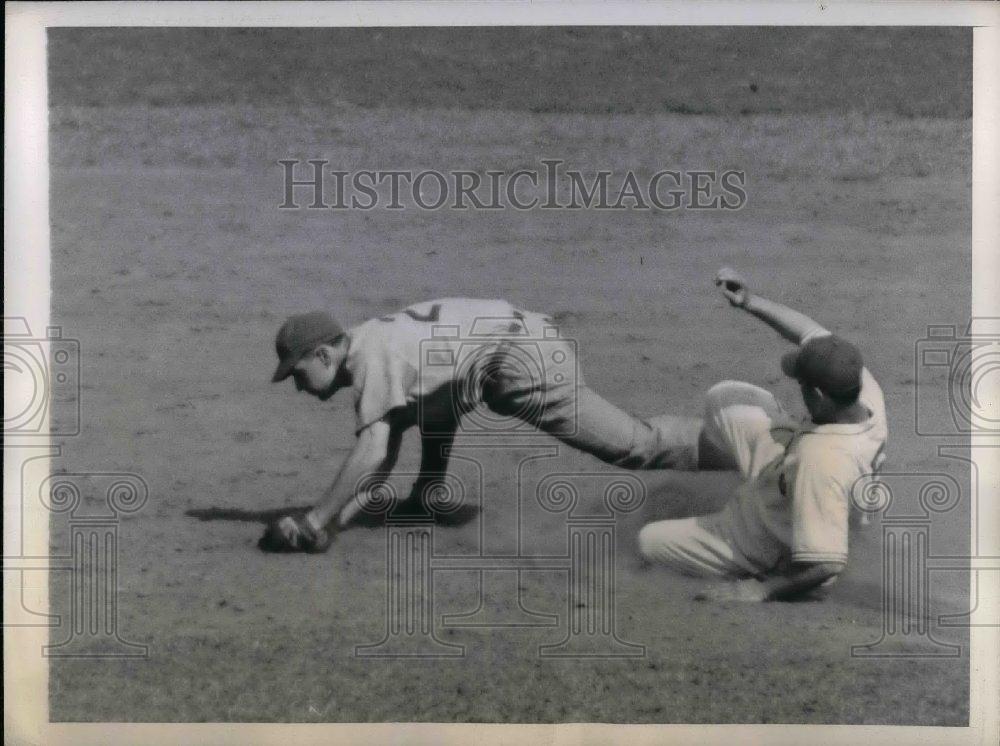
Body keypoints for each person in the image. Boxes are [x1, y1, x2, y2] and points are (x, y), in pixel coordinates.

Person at [259, 297, 702, 552]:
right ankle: (426, 495)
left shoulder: (371, 359)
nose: (298, 387)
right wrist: (339, 523)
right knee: (423, 406)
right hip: (516, 340)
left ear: (323, 355)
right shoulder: (371, 339)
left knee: (635, 447)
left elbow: (375, 453)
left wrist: (316, 522)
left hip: (525, 359)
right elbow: (409, 423)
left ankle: (743, 440)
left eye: (297, 374)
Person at [637, 268, 887, 602]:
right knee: (727, 398)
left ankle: (750, 558)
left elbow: (826, 565)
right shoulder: (861, 388)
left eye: (801, 385)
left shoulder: (822, 460)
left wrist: (757, 590)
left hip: (773, 538)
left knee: (648, 540)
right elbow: (808, 331)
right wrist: (750, 301)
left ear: (819, 395)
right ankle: (762, 481)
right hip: (801, 479)